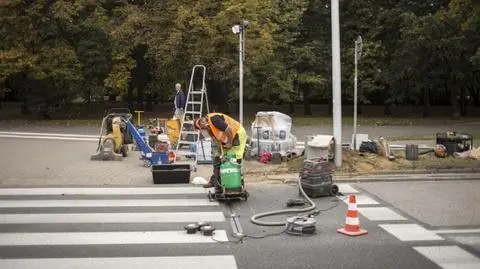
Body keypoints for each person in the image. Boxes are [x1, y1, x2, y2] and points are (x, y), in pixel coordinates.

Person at [194, 112, 247, 189]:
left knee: (234, 159)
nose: (204, 129)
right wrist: (219, 148)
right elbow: (214, 138)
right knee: (220, 160)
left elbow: (228, 129)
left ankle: (234, 182)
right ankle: (215, 181)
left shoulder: (214, 120)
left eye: (203, 128)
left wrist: (230, 143)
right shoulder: (209, 127)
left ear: (202, 121)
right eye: (202, 129)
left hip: (237, 134)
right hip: (228, 138)